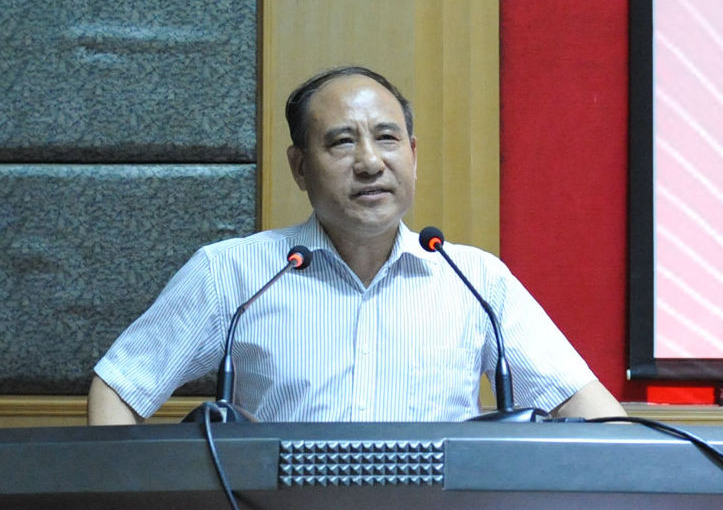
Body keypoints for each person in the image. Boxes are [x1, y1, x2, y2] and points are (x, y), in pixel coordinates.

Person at [88, 65, 626, 424]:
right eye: (342, 142)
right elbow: (120, 387)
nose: (370, 162)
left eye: (387, 138)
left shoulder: (475, 281)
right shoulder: (233, 274)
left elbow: (588, 409)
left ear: (413, 155)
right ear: (300, 167)